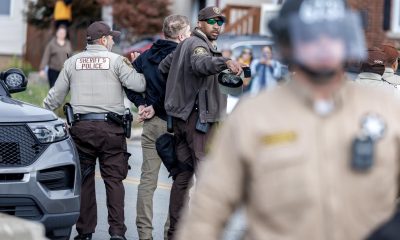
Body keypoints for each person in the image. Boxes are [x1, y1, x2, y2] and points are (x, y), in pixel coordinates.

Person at [175, 0, 400, 240]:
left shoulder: (385, 111)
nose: (323, 45)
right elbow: (208, 211)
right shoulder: (254, 116)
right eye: (310, 36)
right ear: (289, 42)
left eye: (334, 34)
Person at [43, 21, 146, 240]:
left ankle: (85, 233)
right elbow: (139, 85)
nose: (113, 41)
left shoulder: (72, 62)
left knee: (85, 181)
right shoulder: (117, 61)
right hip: (111, 130)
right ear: (103, 40)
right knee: (114, 181)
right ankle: (117, 232)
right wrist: (138, 67)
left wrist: (39, 113)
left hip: (81, 130)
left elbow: (55, 97)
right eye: (111, 38)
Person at [158, 6, 243, 240]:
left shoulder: (185, 44)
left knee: (182, 178)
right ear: (200, 23)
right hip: (199, 123)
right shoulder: (197, 45)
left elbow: (164, 67)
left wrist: (181, 91)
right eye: (212, 21)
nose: (217, 25)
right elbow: (201, 64)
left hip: (182, 120)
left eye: (220, 22)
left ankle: (175, 234)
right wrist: (224, 62)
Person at [124, 14, 191, 240]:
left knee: (147, 182)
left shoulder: (146, 55)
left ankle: (144, 235)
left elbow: (128, 82)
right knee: (181, 182)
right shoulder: (182, 56)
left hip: (152, 126)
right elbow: (175, 90)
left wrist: (142, 104)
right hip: (176, 127)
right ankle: (171, 233)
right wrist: (151, 105)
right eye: (189, 33)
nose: (190, 37)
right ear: (181, 35)